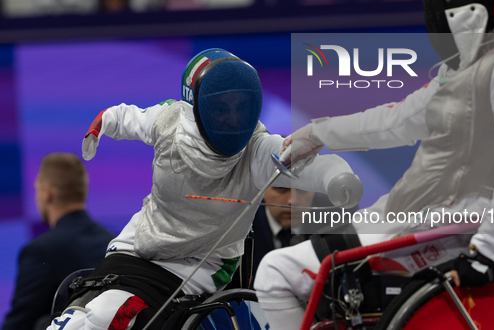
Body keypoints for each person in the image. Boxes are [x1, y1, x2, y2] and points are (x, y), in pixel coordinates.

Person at [254, 0, 494, 330]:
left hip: (448, 225)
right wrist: (317, 134)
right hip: (421, 213)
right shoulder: (474, 66)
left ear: (466, 16)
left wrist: (486, 252)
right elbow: (399, 119)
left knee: (276, 273)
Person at [46, 48, 361, 330]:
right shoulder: (169, 120)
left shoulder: (257, 151)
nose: (234, 118)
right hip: (136, 246)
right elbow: (130, 118)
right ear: (196, 104)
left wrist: (337, 177)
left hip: (199, 268)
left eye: (241, 107)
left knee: (105, 315)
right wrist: (102, 123)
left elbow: (306, 164)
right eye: (222, 107)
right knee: (78, 311)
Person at [2, 153, 115, 330]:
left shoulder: (40, 251)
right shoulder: (113, 243)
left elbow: (18, 325)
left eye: (36, 188)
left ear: (47, 192)